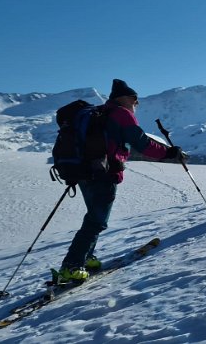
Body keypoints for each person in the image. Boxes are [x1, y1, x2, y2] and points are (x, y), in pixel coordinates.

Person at [58, 79, 183, 282]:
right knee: (97, 220)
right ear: (127, 99)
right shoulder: (121, 114)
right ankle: (72, 265)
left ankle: (87, 257)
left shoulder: (100, 112)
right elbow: (141, 143)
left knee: (94, 216)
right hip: (103, 173)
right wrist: (168, 153)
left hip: (84, 171)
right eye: (136, 101)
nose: (137, 105)